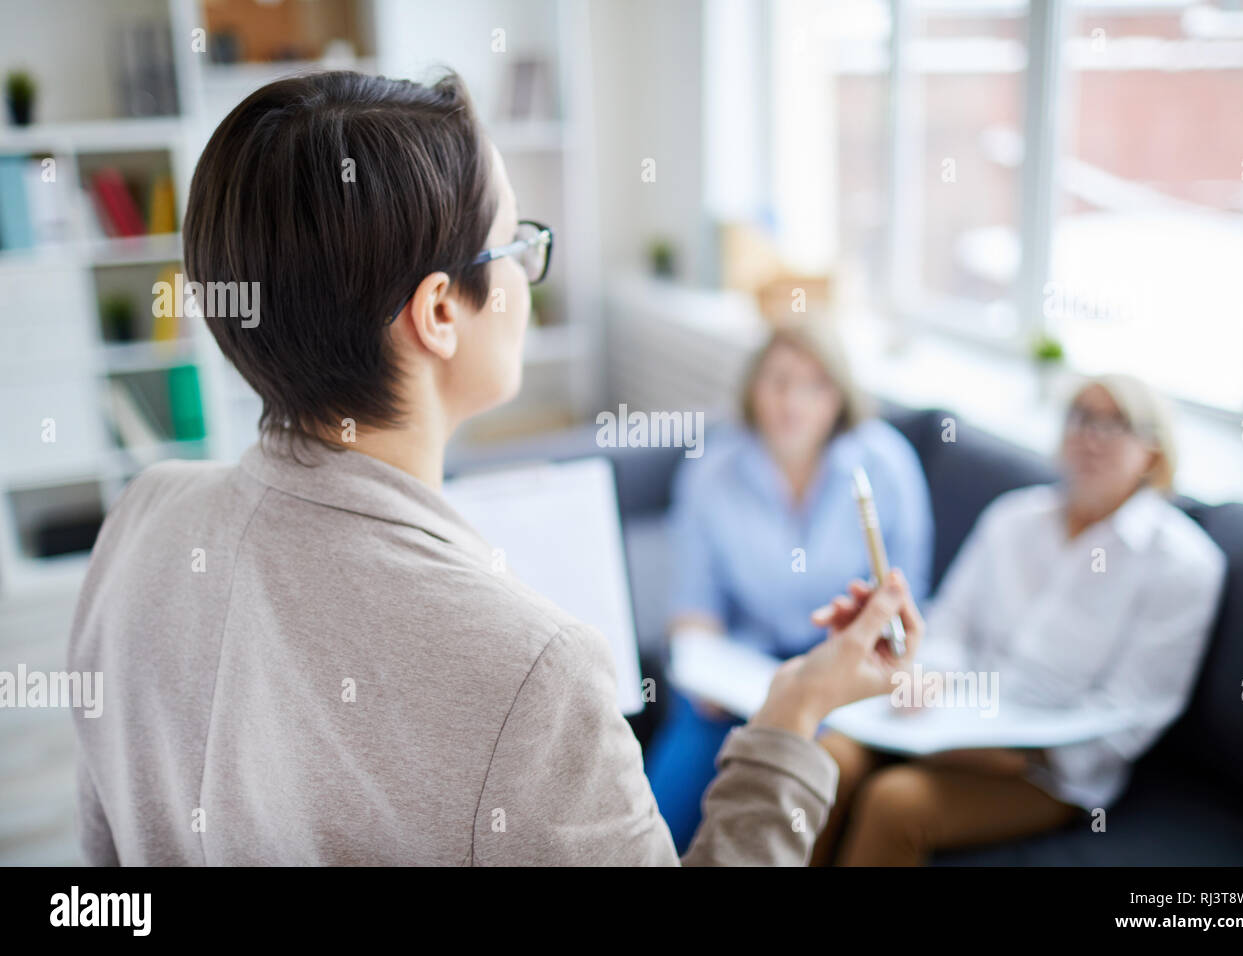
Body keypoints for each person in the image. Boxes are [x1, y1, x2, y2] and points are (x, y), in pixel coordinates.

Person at [65, 70, 925, 866]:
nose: (528, 273)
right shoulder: (537, 669)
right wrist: (794, 714)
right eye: (515, 244)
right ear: (440, 311)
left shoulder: (142, 517)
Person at [826, 374, 1226, 866]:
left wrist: (1018, 754)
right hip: (945, 722)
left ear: (1153, 453)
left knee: (898, 802)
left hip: (1046, 769)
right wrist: (928, 679)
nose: (1090, 436)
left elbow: (1133, 712)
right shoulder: (1012, 519)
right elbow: (949, 625)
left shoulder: (1184, 564)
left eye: (1116, 424)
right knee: (829, 760)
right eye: (1080, 417)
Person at [644, 325, 934, 852]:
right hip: (732, 683)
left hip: (839, 687)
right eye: (778, 382)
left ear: (839, 397)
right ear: (753, 389)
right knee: (656, 820)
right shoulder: (712, 472)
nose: (792, 402)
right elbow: (693, 608)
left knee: (790, 810)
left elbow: (911, 598)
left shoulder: (886, 466)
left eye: (814, 385)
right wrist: (704, 670)